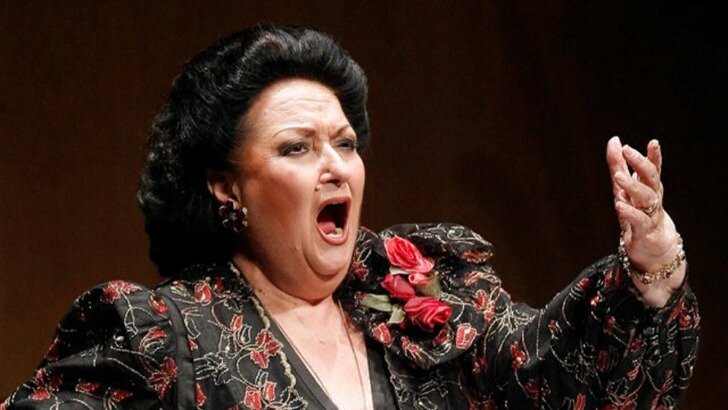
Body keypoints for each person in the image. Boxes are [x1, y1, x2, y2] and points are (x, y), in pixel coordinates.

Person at [3, 25, 698, 409]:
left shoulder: (421, 293)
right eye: (297, 148)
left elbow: (556, 380)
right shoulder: (164, 336)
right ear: (226, 188)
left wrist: (649, 263)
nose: (336, 166)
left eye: (345, 143)